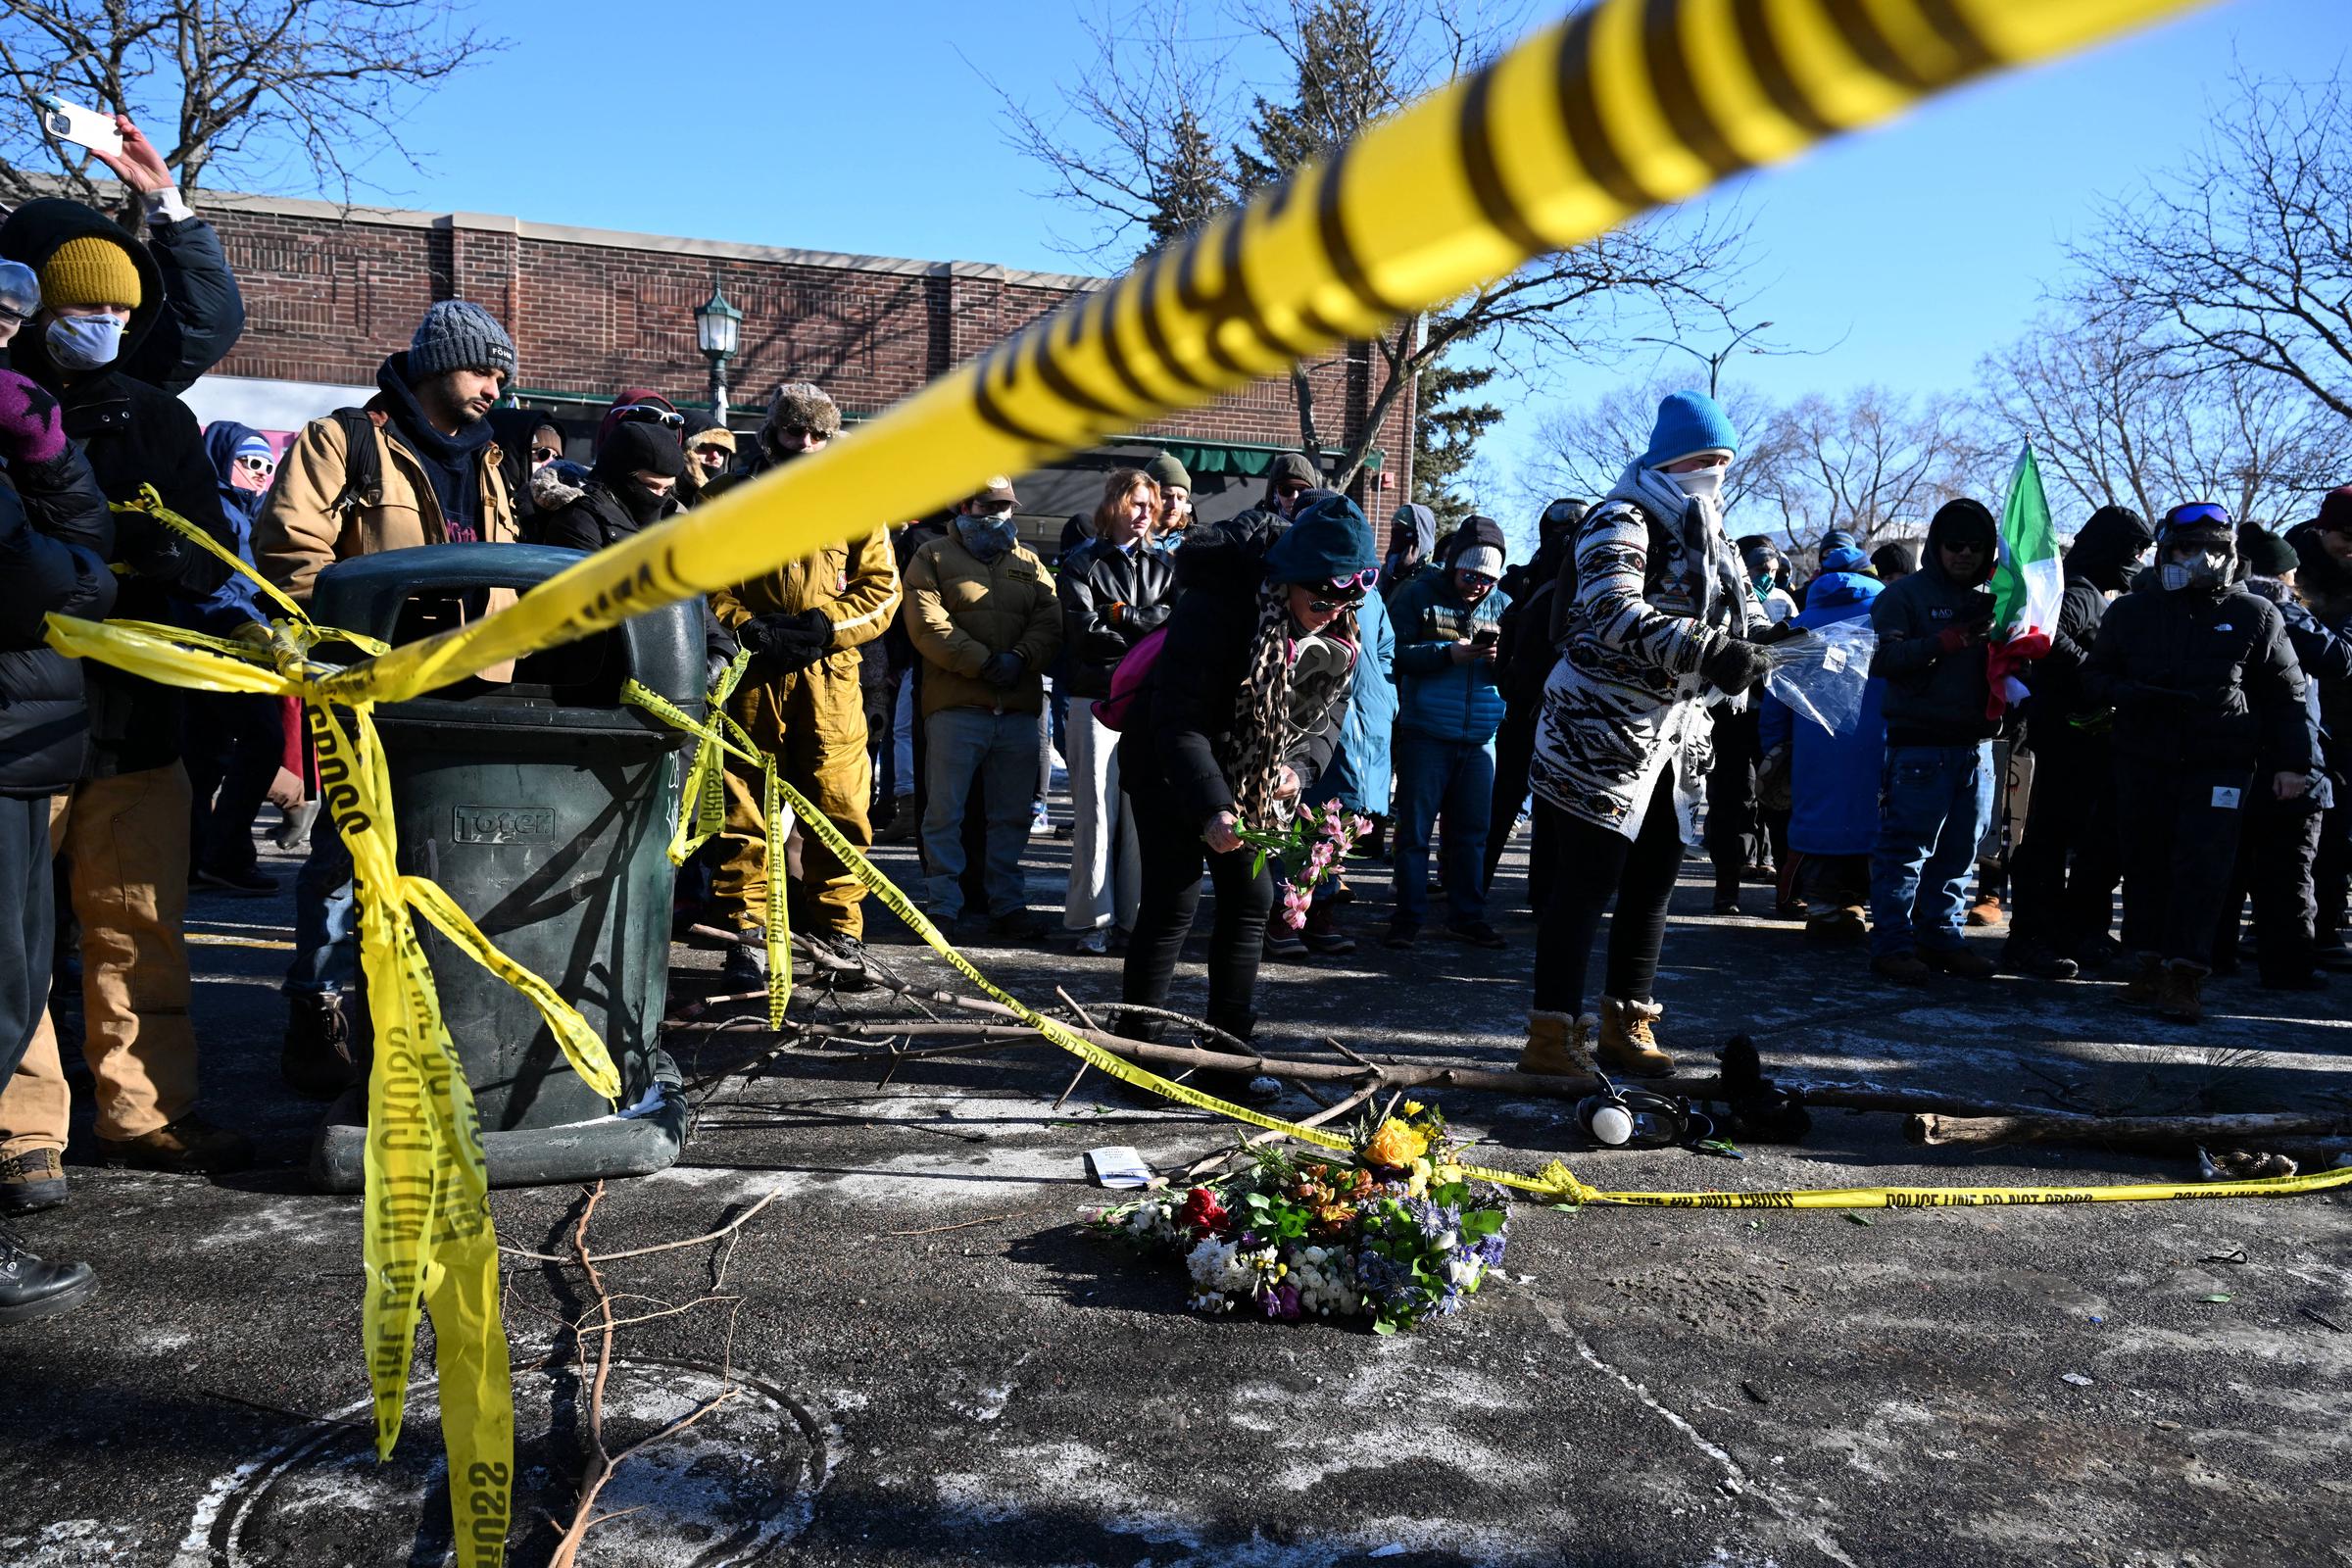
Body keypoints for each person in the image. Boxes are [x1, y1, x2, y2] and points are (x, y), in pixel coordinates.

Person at [0, 197, 249, 1179]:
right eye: (81, 305)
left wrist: (133, 565)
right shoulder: (9, 403)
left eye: (118, 309)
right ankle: (23, 1136)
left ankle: (146, 1109)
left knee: (141, 923)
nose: (100, 325)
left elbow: (199, 550)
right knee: (16, 940)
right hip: (24, 715)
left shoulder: (158, 417)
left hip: (139, 715)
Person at [253, 299, 520, 1093]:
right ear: (439, 363)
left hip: (472, 691)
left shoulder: (494, 459)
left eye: (502, 376)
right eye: (483, 370)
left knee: (458, 854)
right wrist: (351, 641)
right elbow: (291, 550)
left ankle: (434, 1006)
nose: (494, 390)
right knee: (346, 859)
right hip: (369, 690)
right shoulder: (345, 442)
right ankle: (321, 1008)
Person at [1521, 390, 1763, 1079]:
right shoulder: (1618, 518)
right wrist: (1709, 649)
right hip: (1598, 735)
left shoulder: (1713, 532)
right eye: (1704, 458)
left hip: (1678, 740)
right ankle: (1551, 1034)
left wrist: (1776, 648)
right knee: (1586, 883)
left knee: (1655, 877)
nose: (1715, 471)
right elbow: (1610, 612)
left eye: (1724, 460)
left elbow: (1744, 621)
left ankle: (1628, 1022)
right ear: (1669, 456)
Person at [1117, 492, 1375, 1086]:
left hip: (1251, 776)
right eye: (1322, 596)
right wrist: (1211, 808)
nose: (1333, 611)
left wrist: (1299, 770)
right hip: (1169, 763)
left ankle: (1227, 1051)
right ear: (1290, 577)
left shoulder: (1340, 628)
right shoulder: (1218, 605)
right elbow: (1178, 719)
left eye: (1348, 600)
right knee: (1172, 901)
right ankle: (1141, 1056)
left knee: (1252, 900)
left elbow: (1326, 719)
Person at [707, 382, 902, 987]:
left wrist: (826, 626)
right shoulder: (730, 497)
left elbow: (883, 592)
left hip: (831, 684)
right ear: (774, 433)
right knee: (744, 812)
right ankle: (747, 934)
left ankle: (839, 936)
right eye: (796, 432)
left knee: (841, 810)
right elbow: (703, 584)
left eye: (819, 434)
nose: (808, 445)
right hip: (751, 679)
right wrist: (745, 627)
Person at [2084, 503, 2311, 1023]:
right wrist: (2133, 693)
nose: (2200, 559)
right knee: (2143, 863)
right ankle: (2145, 966)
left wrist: (2292, 764)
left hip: (2221, 763)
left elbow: (2287, 695)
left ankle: (2185, 975)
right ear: (2166, 552)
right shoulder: (2131, 612)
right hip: (2144, 758)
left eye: (2212, 549)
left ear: (2229, 554)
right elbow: (2093, 678)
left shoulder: (2255, 613)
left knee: (2203, 869)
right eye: (2187, 549)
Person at [0, 362, 117, 1311]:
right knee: (5, 986)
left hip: (26, 747)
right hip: (6, 740)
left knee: (19, 971)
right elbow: (44, 576)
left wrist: (44, 457)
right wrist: (79, 571)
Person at [903, 475, 1060, 940]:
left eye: (1005, 506)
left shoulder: (1029, 563)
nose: (998, 514)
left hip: (1015, 710)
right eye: (988, 505)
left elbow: (1050, 623)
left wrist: (1021, 658)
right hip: (956, 706)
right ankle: (943, 904)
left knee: (1011, 816)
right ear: (963, 506)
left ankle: (1007, 903)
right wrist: (985, 663)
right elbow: (926, 623)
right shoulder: (930, 556)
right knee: (944, 812)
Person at [2000, 504, 2151, 979]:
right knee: (2051, 836)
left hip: (2090, 735)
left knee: (2095, 838)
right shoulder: (2079, 591)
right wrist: (2098, 674)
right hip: (2069, 733)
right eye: (2133, 552)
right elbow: (2047, 639)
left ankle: (2078, 930)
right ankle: (2032, 936)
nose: (2137, 564)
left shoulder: (2090, 590)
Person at [1865, 499, 2007, 986]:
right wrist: (1948, 641)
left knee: (1960, 853)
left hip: (1977, 747)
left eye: (1976, 546)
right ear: (1936, 547)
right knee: (1906, 850)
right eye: (1954, 545)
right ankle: (1892, 946)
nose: (1964, 554)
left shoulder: (2000, 597)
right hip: (1920, 747)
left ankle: (1941, 937)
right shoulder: (1905, 595)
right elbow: (1882, 661)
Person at [2218, 523, 2347, 990]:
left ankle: (2214, 956)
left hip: (2232, 763)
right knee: (2289, 875)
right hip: (2287, 767)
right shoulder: (2280, 613)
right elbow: (2332, 663)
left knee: (2225, 868)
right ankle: (2289, 965)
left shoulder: (2218, 610)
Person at [1056, 468, 1174, 954]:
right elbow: (1083, 633)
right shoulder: (1081, 562)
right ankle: (1093, 921)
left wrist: (1119, 615)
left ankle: (1133, 918)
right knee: (1095, 812)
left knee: (1139, 811)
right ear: (1114, 505)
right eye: (1138, 503)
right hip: (1096, 695)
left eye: (1152, 504)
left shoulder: (1166, 566)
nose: (1147, 512)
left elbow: (1175, 624)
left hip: (1146, 700)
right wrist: (1141, 628)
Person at [1385, 514, 1510, 950]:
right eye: (1470, 574)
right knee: (1414, 832)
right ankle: (1408, 916)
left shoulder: (1506, 605)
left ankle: (1467, 916)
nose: (1478, 585)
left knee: (1472, 836)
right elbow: (1394, 655)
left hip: (1481, 738)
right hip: (1426, 733)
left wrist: (1502, 662)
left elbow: (1523, 669)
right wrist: (1447, 654)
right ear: (1454, 563)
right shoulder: (1419, 594)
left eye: (1488, 578)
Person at [1758, 532, 1884, 944]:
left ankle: (1825, 907)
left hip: (1813, 745)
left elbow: (1776, 698)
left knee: (1819, 820)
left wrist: (1774, 747)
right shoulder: (1886, 616)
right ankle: (1870, 906)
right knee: (1877, 823)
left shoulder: (1800, 625)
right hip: (1879, 741)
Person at [181, 421, 288, 896]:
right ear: (223, 462)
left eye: (268, 465)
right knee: (262, 740)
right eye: (250, 463)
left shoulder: (257, 515)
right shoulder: (213, 512)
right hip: (218, 643)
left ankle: (197, 859)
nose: (261, 474)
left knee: (203, 757)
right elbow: (213, 583)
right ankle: (224, 856)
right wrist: (247, 625)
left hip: (233, 646)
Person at [1486, 500, 1585, 911]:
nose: (1566, 536)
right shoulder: (1525, 580)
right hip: (1524, 708)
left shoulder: (1590, 580)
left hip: (1558, 711)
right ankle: (1473, 891)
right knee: (1507, 803)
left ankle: (1538, 898)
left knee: (1550, 810)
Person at [2290, 491, 2352, 970]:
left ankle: (2326, 923)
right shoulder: (2293, 561)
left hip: (2347, 715)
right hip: (2299, 711)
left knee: (2338, 831)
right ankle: (2287, 924)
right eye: (2345, 537)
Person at [1382, 502, 1437, 601]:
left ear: (1418, 533)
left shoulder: (1432, 574)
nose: (1394, 530)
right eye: (1393, 525)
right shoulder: (1387, 569)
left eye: (1399, 526)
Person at [678, 412, 736, 505]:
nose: (715, 456)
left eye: (720, 449)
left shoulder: (741, 496)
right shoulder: (666, 502)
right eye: (703, 448)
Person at [1144, 451, 1193, 538]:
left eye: (1180, 498)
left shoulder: (1192, 545)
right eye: (1166, 496)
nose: (1174, 505)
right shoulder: (1128, 544)